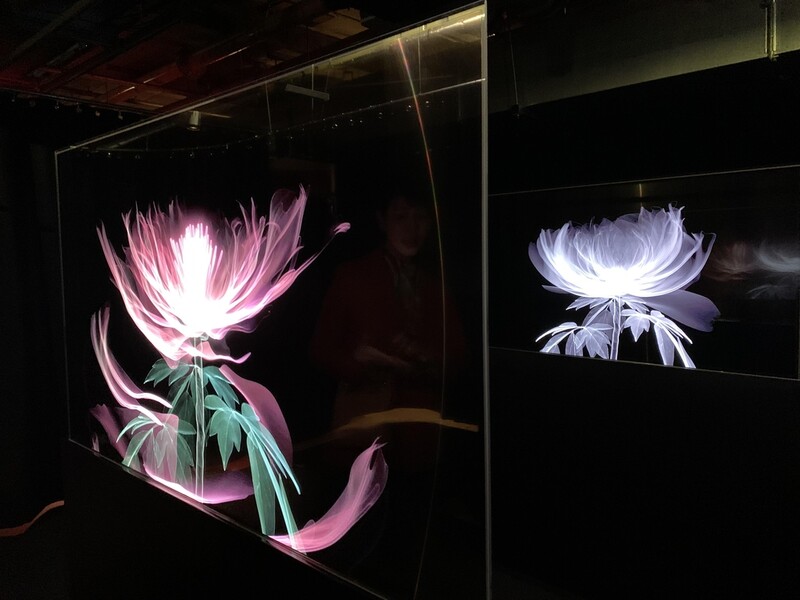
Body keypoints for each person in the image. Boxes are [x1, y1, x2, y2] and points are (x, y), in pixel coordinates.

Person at [309, 186, 467, 471]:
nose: (412, 229)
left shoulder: (436, 286)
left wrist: (428, 361)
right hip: (364, 427)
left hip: (420, 435)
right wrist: (360, 364)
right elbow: (321, 349)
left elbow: (457, 356)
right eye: (401, 217)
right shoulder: (353, 276)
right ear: (383, 221)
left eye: (420, 218)